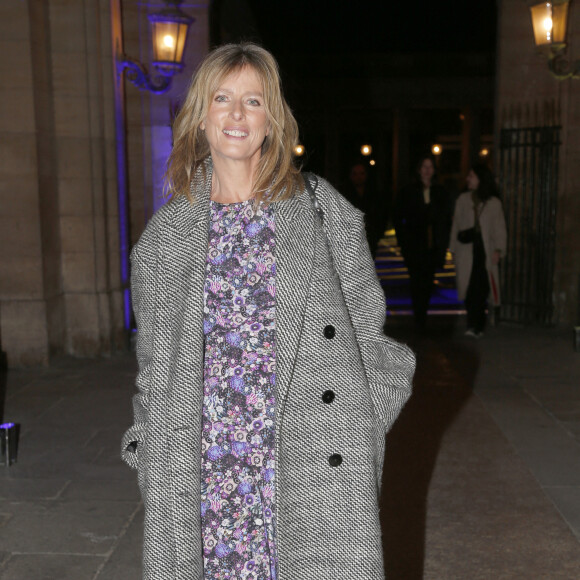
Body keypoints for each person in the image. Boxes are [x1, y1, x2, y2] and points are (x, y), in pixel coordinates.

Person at [120, 42, 416, 580]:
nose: (237, 114)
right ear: (201, 119)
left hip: (309, 460)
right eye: (222, 98)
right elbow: (155, 374)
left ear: (272, 120)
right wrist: (153, 458)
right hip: (208, 470)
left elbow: (372, 340)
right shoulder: (164, 240)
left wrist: (360, 429)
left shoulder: (325, 213)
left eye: (253, 101)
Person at [394, 155, 452, 328]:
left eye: (430, 167)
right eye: (424, 166)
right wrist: (404, 242)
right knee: (416, 281)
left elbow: (445, 219)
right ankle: (419, 317)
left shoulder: (440, 192)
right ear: (419, 170)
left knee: (428, 282)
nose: (427, 170)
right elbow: (399, 217)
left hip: (432, 245)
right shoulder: (408, 191)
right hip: (414, 246)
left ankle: (423, 314)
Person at [449, 164, 507, 338]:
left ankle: (478, 325)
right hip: (466, 250)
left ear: (481, 179)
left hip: (485, 251)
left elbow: (499, 228)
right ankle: (471, 323)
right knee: (467, 287)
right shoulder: (462, 200)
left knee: (481, 288)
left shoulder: (493, 203)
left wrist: (498, 249)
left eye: (472, 176)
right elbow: (456, 225)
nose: (468, 179)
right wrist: (452, 249)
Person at [343, 161, 384, 258]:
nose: (359, 177)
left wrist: (377, 234)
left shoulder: (374, 194)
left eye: (362, 173)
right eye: (355, 174)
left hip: (370, 238)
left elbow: (380, 215)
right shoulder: (344, 195)